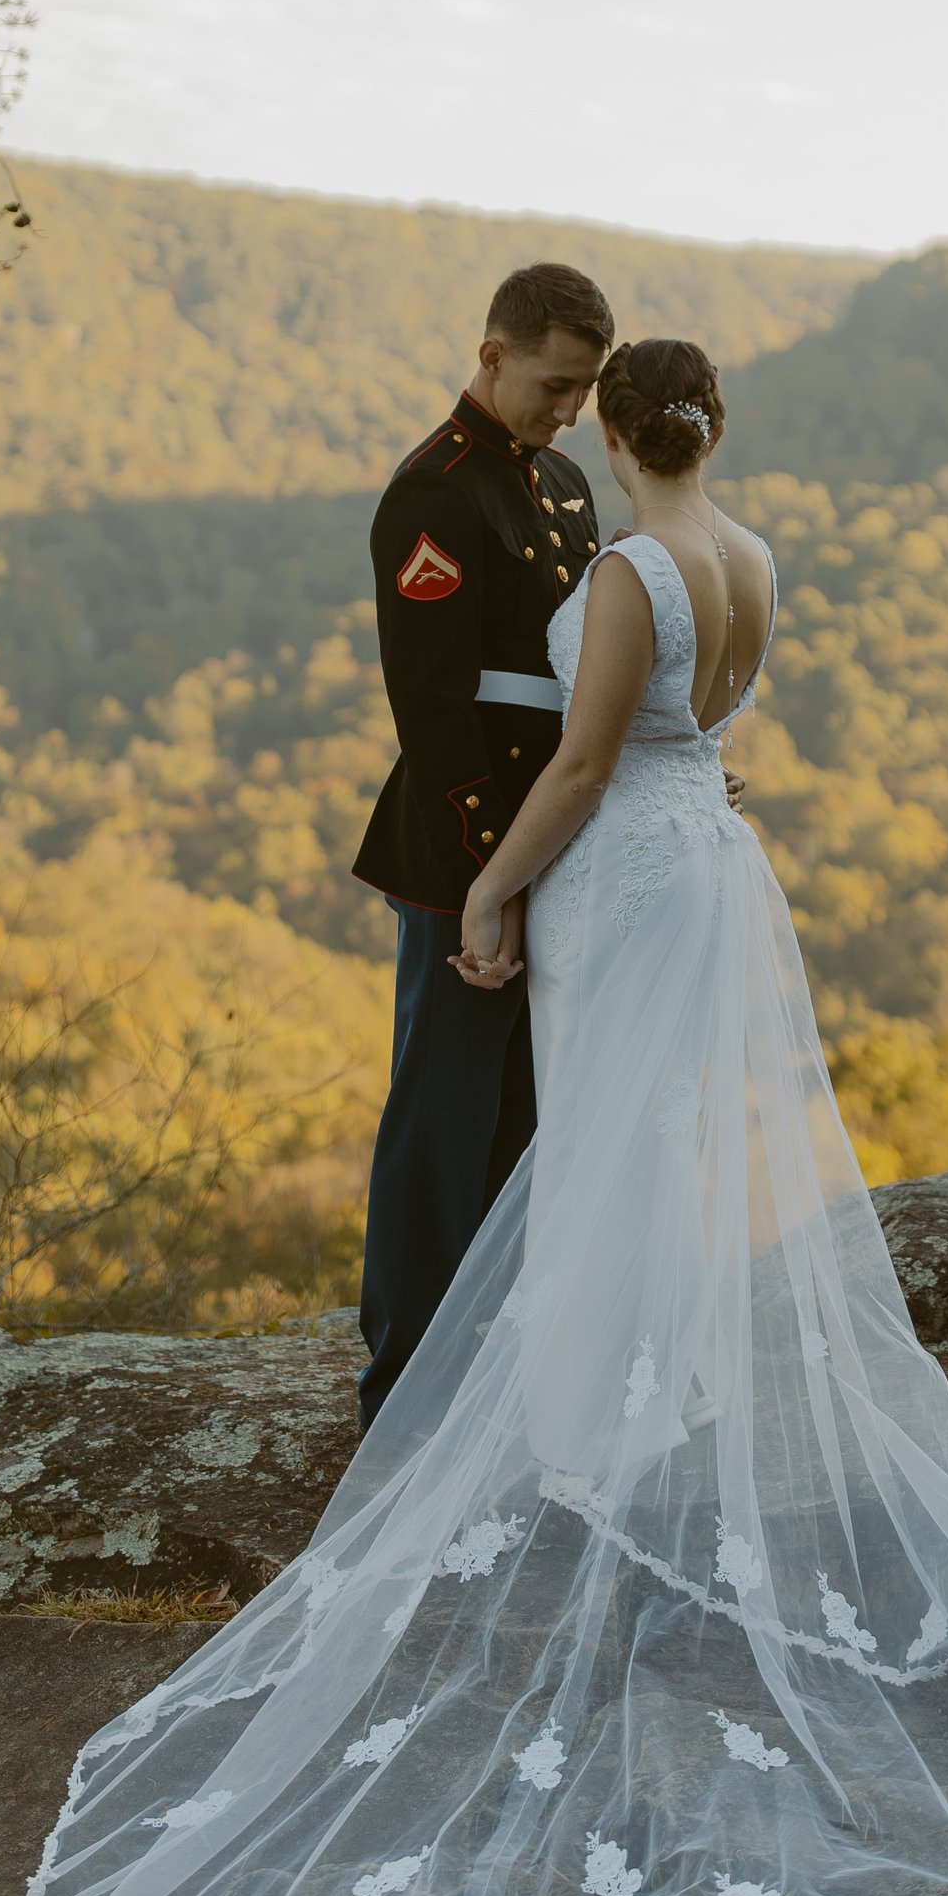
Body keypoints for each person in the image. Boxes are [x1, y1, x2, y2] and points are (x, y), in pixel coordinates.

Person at [4, 339, 948, 1896]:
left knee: (606, 1149)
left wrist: (486, 886)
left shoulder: (636, 571)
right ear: (711, 432)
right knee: (657, 1150)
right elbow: (699, 743)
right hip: (707, 857)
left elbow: (574, 767)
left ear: (621, 434)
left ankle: (581, 1418)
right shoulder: (755, 561)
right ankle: (626, 1397)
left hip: (623, 878)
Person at [347, 263, 610, 1427]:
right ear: (494, 354)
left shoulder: (558, 482)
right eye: (554, 386)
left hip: (554, 837)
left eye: (586, 392)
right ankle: (403, 1385)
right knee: (440, 1128)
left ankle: (497, 1362)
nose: (568, 413)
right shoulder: (433, 495)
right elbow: (438, 711)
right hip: (465, 852)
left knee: (526, 1126)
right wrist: (485, 881)